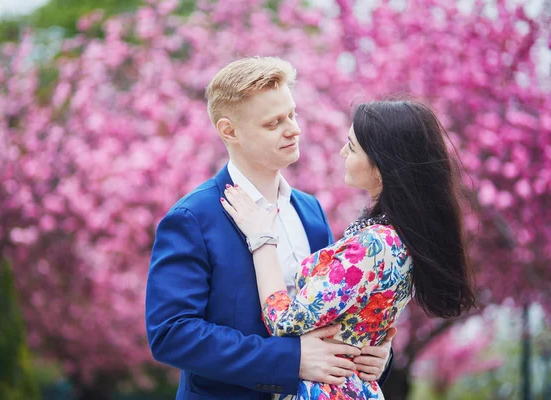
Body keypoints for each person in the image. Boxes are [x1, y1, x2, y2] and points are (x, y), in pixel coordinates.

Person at [145, 57, 395, 400]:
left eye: (292, 115)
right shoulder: (192, 218)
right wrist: (290, 361)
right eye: (273, 123)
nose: (293, 129)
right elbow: (171, 334)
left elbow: (336, 309)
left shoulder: (311, 211)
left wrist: (375, 355)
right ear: (229, 131)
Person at [221, 99, 477, 399]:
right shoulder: (401, 237)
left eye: (352, 147)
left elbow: (284, 322)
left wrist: (261, 238)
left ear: (382, 167)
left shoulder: (373, 245)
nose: (342, 152)